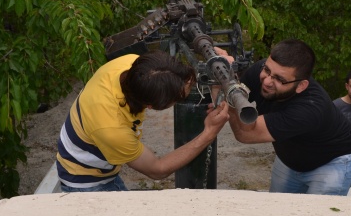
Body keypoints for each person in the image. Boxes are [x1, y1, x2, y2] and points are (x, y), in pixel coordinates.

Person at [56, 49, 229, 192]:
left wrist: (215, 81)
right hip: (85, 181)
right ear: (151, 106)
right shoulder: (113, 129)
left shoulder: (132, 65)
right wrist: (209, 133)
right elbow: (158, 170)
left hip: (102, 162)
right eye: (180, 98)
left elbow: (183, 79)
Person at [220, 39, 351, 195]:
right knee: (280, 211)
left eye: (279, 79)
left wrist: (229, 91)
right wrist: (223, 70)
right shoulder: (264, 71)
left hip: (332, 162)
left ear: (301, 86)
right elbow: (234, 88)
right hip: (290, 159)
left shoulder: (309, 109)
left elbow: (246, 133)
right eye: (267, 70)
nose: (266, 81)